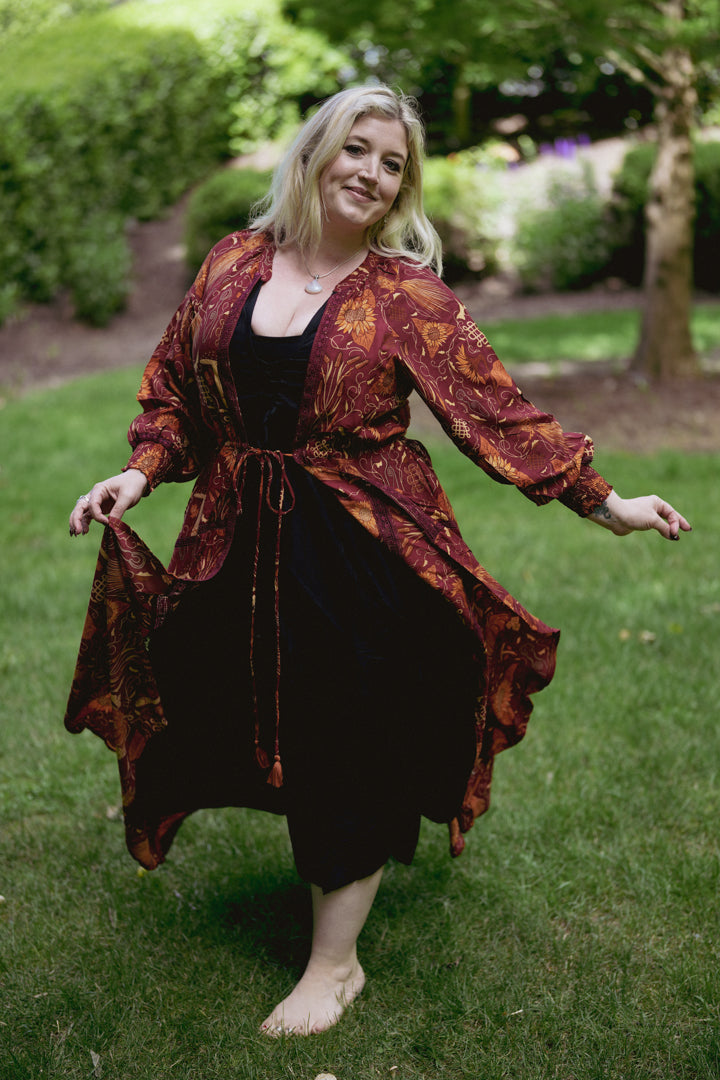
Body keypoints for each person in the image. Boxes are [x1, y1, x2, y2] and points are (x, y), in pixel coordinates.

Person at [66, 85, 691, 1036]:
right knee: (235, 713)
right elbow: (177, 395)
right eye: (357, 149)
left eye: (392, 163)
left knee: (347, 737)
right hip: (238, 541)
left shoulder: (405, 296)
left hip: (361, 547)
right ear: (315, 153)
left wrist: (608, 506)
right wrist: (138, 472)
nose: (371, 172)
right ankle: (328, 886)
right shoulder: (233, 263)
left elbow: (496, 415)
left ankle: (335, 965)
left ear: (403, 188)